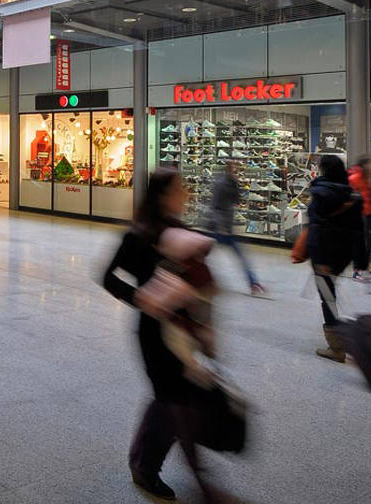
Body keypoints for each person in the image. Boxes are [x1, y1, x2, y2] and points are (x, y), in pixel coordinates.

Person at [103, 170, 218, 503]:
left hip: (181, 330)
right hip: (153, 332)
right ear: (163, 195)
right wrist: (140, 298)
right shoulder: (138, 236)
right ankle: (147, 467)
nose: (186, 194)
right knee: (171, 399)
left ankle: (148, 462)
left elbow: (200, 281)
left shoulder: (180, 232)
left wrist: (203, 324)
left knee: (172, 397)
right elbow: (107, 277)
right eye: (180, 189)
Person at [307, 154, 363, 362]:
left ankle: (337, 346)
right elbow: (359, 230)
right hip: (343, 253)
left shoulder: (321, 193)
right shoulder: (351, 193)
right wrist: (360, 262)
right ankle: (344, 339)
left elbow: (317, 227)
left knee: (327, 297)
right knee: (331, 293)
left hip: (324, 253)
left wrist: (319, 259)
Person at [207, 162, 265, 296]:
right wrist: (220, 225)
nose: (236, 172)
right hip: (220, 227)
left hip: (227, 227)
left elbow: (236, 201)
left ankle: (253, 283)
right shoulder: (221, 184)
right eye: (234, 169)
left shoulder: (231, 183)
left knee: (240, 255)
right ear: (228, 169)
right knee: (238, 255)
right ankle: (253, 283)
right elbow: (215, 205)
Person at [348, 156, 371, 284]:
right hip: (360, 215)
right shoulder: (355, 178)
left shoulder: (364, 178)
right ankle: (356, 272)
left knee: (368, 243)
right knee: (361, 244)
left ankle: (363, 268)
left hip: (368, 214)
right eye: (369, 165)